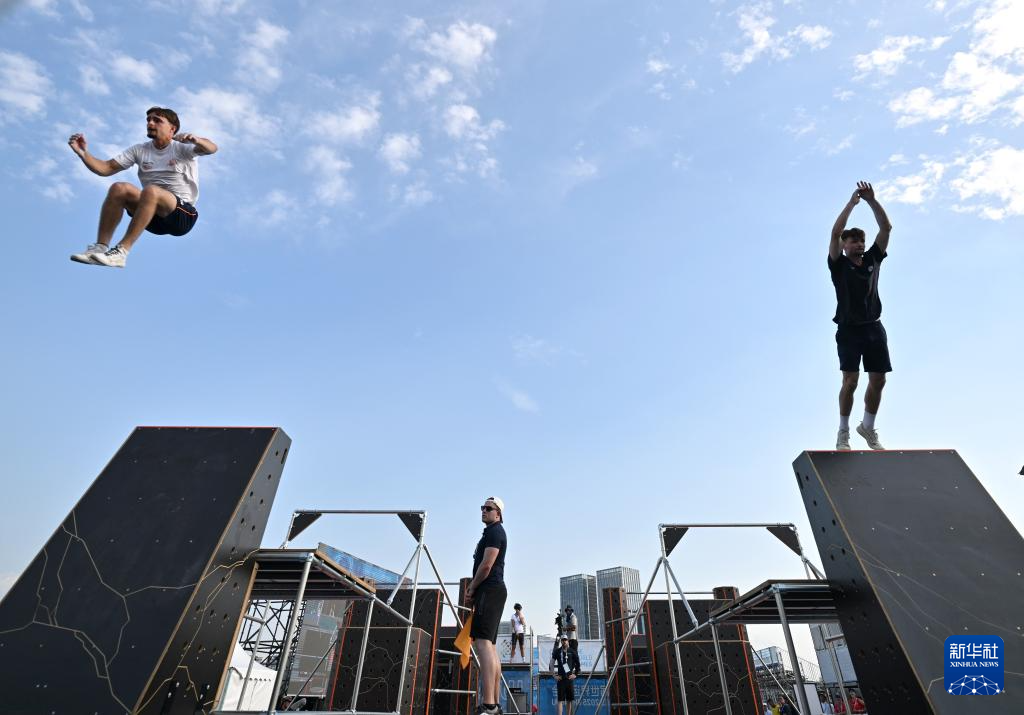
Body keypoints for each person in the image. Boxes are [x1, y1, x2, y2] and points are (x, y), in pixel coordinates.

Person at [67, 106, 217, 268]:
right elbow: (105, 168)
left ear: (172, 129)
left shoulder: (182, 147)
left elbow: (212, 148)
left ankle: (121, 252)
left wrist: (197, 140)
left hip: (182, 217)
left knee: (151, 191)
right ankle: (99, 248)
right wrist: (83, 153)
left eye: (157, 120)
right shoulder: (139, 150)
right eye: (148, 120)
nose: (150, 123)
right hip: (153, 218)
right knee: (119, 188)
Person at [828, 181, 893, 450]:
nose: (859, 244)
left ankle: (867, 426)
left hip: (874, 328)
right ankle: (843, 432)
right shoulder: (839, 265)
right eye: (853, 240)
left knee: (879, 380)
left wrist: (872, 201)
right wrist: (852, 204)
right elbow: (835, 232)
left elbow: (886, 228)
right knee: (850, 381)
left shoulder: (872, 259)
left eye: (861, 240)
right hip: (849, 330)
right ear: (844, 246)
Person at [467, 496, 508, 715]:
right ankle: (494, 704)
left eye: (488, 508)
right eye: (482, 507)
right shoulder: (491, 532)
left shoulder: (495, 532)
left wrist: (472, 588)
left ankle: (489, 705)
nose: (483, 510)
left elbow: (486, 565)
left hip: (489, 590)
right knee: (489, 646)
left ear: (498, 513)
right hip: (493, 591)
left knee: (483, 644)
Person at [550, 634, 581, 715]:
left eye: (565, 640)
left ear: (568, 641)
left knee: (569, 700)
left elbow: (578, 664)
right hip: (561, 679)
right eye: (563, 640)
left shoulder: (572, 651)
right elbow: (551, 664)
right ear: (561, 641)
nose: (564, 642)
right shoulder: (557, 651)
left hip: (569, 679)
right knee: (560, 700)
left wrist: (575, 674)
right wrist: (554, 676)